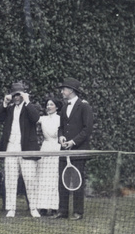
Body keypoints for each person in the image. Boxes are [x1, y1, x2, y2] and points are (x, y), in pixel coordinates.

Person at [0, 82, 41, 218]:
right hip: (10, 147)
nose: (16, 97)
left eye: (19, 94)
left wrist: (27, 101)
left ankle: (33, 208)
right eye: (14, 94)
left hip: (26, 147)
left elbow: (35, 118)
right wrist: (4, 103)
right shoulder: (9, 108)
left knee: (30, 178)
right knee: (10, 178)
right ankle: (11, 209)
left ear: (23, 94)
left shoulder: (30, 107)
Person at [53, 78, 93, 220]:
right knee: (62, 181)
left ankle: (78, 212)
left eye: (64, 89)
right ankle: (62, 211)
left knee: (77, 182)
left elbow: (87, 129)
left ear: (71, 90)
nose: (62, 91)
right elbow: (61, 127)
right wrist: (61, 137)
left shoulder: (84, 107)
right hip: (64, 151)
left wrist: (73, 142)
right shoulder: (64, 107)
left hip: (78, 151)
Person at [36, 98, 62, 217]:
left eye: (51, 104)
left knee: (54, 177)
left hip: (56, 148)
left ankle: (55, 207)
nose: (49, 106)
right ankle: (43, 207)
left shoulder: (61, 119)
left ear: (57, 107)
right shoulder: (43, 119)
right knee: (43, 177)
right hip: (45, 148)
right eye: (47, 104)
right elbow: (31, 116)